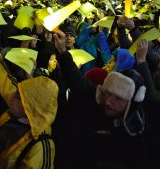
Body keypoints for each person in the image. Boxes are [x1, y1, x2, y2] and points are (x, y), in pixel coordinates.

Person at [53, 29, 147, 168]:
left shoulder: (136, 134)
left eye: (118, 98)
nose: (108, 101)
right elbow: (78, 82)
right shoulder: (98, 99)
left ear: (131, 103)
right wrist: (62, 52)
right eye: (108, 93)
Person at [0, 29, 58, 169]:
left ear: (29, 105)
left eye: (16, 96)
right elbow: (3, 78)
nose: (11, 97)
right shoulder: (19, 101)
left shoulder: (40, 146)